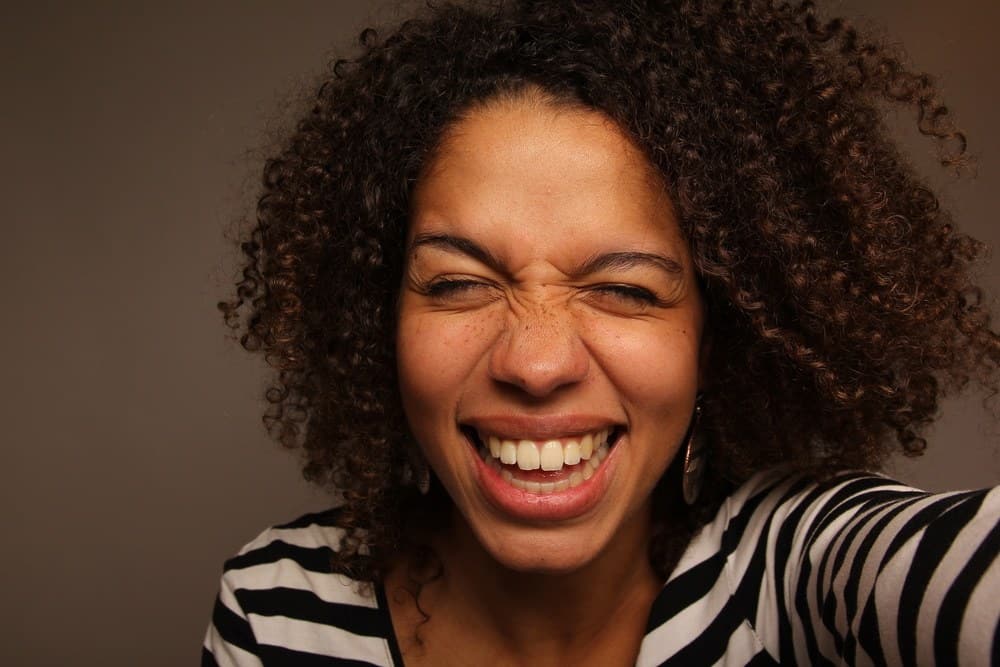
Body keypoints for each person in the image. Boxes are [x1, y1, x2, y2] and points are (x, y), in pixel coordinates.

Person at [203, 1, 1000, 664]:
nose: (537, 362)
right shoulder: (279, 610)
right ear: (384, 321)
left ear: (712, 339)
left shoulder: (792, 578)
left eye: (624, 288)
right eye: (458, 283)